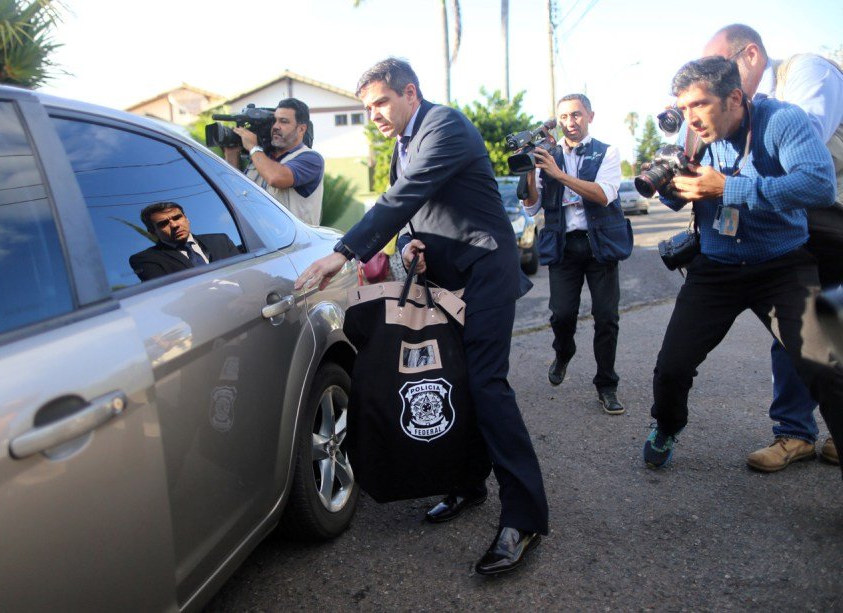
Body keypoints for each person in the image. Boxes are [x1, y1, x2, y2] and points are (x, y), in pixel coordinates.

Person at [294, 58, 549, 575]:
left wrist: (343, 251)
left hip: (484, 270)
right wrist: (409, 246)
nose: (375, 116)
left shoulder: (445, 126)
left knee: (487, 385)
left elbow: (402, 195)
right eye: (366, 108)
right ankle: (466, 483)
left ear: (410, 92)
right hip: (443, 278)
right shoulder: (400, 146)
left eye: (381, 103)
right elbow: (411, 217)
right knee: (452, 382)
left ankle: (525, 516)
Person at [642, 56, 843, 479]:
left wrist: (727, 186)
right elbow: (677, 200)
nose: (690, 118)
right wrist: (673, 185)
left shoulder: (782, 121)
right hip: (715, 269)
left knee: (828, 367)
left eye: (699, 105)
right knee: (672, 367)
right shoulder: (693, 137)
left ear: (735, 97)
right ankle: (667, 426)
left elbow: (819, 183)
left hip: (782, 265)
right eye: (683, 107)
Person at [703, 24, 843, 471]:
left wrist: (727, 181)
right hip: (800, 216)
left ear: (751, 56)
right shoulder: (745, 111)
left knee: (835, 319)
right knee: (797, 321)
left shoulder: (809, 72)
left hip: (833, 213)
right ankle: (794, 432)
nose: (712, 80)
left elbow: (799, 158)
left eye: (720, 68)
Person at [522, 94, 631, 415]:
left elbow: (603, 194)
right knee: (562, 314)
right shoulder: (548, 155)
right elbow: (531, 207)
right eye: (565, 117)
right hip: (563, 247)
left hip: (600, 246)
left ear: (590, 116)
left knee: (607, 318)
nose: (570, 123)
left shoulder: (607, 152)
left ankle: (607, 385)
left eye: (577, 115)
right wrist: (530, 168)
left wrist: (557, 173)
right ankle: (564, 350)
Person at [223, 98, 324, 225]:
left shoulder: (311, 159)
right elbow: (233, 192)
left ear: (301, 129)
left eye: (284, 121)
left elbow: (275, 178)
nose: (275, 126)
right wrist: (232, 153)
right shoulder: (260, 158)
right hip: (258, 242)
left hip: (296, 244)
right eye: (274, 121)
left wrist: (253, 147)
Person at [129, 202, 239, 281]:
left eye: (177, 218)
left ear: (187, 219)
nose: (174, 225)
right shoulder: (146, 259)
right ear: (152, 232)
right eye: (163, 224)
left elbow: (243, 272)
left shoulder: (220, 240)